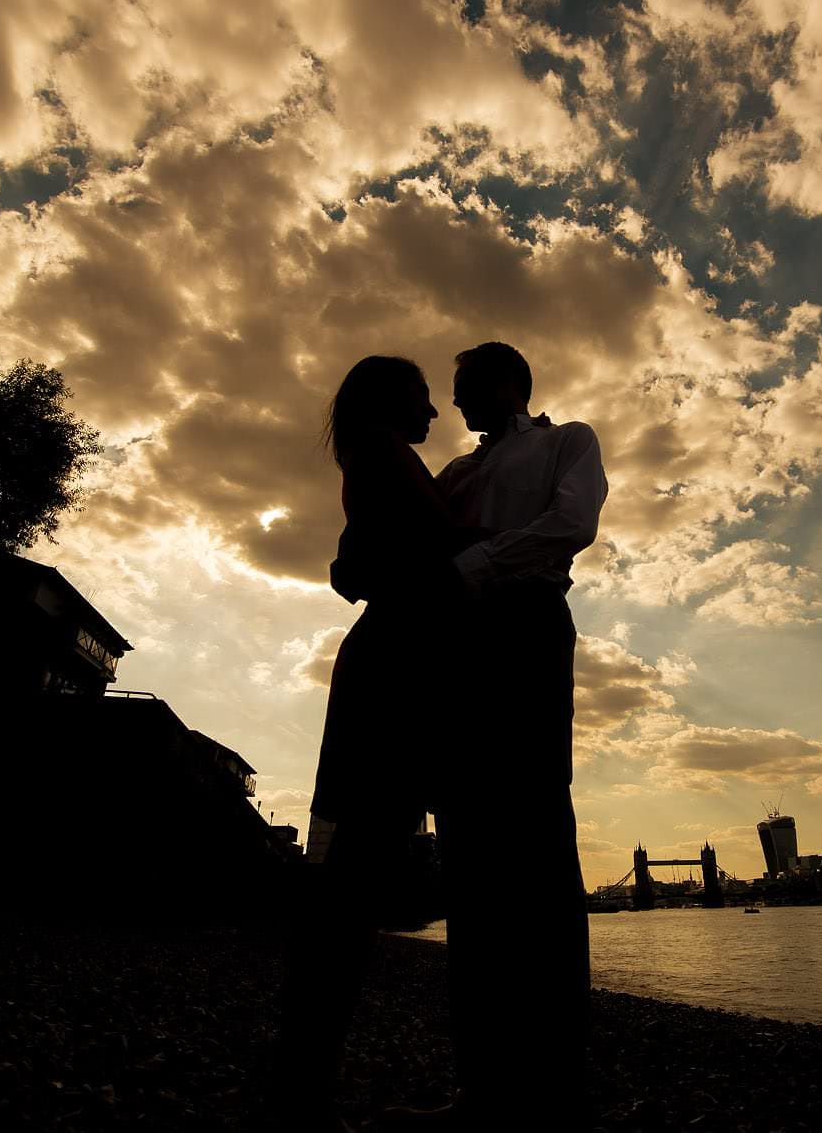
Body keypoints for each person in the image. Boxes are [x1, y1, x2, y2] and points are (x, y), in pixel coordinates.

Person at [385, 341, 608, 1130]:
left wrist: (474, 566)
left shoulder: (567, 440)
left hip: (525, 629)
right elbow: (415, 546)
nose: (452, 405)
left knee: (542, 843)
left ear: (503, 381)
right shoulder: (452, 474)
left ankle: (557, 1089)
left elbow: (572, 525)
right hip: (456, 646)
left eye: (462, 387)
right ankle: (481, 1088)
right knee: (470, 853)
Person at [272, 355, 480, 1133]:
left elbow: (356, 563)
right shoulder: (389, 454)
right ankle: (303, 1088)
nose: (434, 414)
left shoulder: (373, 459)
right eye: (423, 398)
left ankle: (303, 1081)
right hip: (396, 672)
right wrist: (527, 539)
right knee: (358, 878)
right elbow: (438, 546)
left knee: (358, 872)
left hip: (389, 665)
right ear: (391, 398)